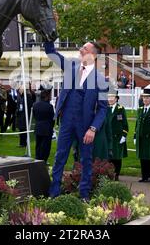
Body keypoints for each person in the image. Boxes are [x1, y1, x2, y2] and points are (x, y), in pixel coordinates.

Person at [44, 40, 108, 200]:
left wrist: (93, 129)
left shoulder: (101, 80)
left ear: (92, 55)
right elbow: (52, 53)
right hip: (66, 122)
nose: (80, 50)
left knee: (86, 160)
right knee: (60, 157)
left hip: (86, 126)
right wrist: (49, 36)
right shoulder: (70, 68)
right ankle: (54, 192)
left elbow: (102, 109)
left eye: (84, 48)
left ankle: (84, 194)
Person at [134, 88, 150, 183]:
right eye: (144, 98)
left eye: (147, 98)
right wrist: (135, 136)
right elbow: (137, 124)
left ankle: (149, 176)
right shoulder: (140, 109)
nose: (145, 100)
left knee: (149, 158)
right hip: (141, 138)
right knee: (142, 157)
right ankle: (144, 176)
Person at [108, 90, 129, 181]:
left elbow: (125, 124)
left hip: (118, 138)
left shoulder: (121, 109)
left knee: (117, 158)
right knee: (108, 158)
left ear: (116, 99)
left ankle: (116, 175)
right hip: (108, 137)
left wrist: (124, 136)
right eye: (108, 97)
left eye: (112, 97)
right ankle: (108, 175)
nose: (110, 99)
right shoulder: (104, 108)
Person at [32, 89, 55, 164]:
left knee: (38, 145)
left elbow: (34, 116)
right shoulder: (49, 106)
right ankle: (43, 160)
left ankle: (38, 158)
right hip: (47, 128)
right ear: (47, 97)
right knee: (46, 146)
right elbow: (52, 118)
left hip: (38, 126)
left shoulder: (35, 105)